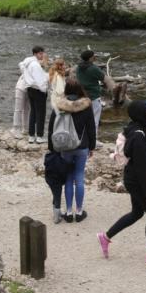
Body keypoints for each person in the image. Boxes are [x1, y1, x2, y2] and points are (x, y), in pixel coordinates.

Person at [99, 100, 146, 265]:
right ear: (143, 115)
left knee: (137, 213)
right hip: (136, 180)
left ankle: (105, 237)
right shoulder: (138, 135)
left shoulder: (143, 128)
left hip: (134, 178)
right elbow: (141, 169)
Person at [49, 77, 96, 223]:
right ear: (79, 89)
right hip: (82, 146)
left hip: (64, 146)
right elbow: (91, 128)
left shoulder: (60, 105)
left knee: (68, 178)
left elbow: (52, 127)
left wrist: (52, 148)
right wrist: (92, 146)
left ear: (66, 90)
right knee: (79, 177)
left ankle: (68, 212)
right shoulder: (86, 105)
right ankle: (79, 211)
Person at [19, 46, 50, 144]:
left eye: (43, 53)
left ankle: (31, 136)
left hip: (30, 89)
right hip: (38, 90)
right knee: (41, 114)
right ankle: (40, 136)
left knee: (33, 112)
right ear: (36, 54)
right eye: (41, 53)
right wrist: (45, 89)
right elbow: (40, 81)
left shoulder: (27, 62)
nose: (42, 55)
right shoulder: (35, 65)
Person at [76, 49, 107, 131]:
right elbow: (104, 78)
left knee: (83, 119)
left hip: (81, 96)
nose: (95, 58)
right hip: (94, 97)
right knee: (94, 120)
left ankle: (83, 138)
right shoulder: (93, 68)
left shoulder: (78, 67)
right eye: (93, 56)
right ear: (90, 58)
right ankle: (94, 140)